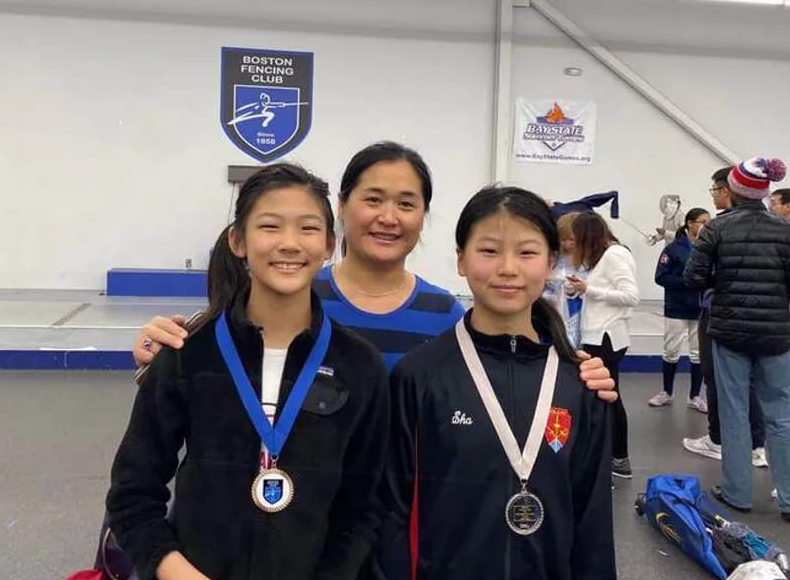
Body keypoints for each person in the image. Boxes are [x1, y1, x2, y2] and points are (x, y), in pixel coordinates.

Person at [133, 142, 617, 394]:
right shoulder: (294, 296)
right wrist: (163, 350)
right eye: (373, 199)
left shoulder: (444, 315)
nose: (389, 216)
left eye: (406, 203)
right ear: (341, 208)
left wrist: (579, 373)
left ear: (424, 216)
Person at [106, 163, 390, 580]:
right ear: (238, 240)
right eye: (270, 226)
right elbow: (132, 497)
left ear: (331, 244)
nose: (290, 244)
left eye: (309, 229)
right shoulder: (188, 354)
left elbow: (365, 506)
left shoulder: (360, 365)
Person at [375, 186, 615, 580]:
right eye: (488, 251)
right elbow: (392, 514)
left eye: (526, 252)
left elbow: (594, 524)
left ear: (551, 262)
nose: (508, 268)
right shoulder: (419, 376)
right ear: (461, 260)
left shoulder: (579, 384)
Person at [684, 156, 790, 521]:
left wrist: (725, 281)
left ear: (734, 191)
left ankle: (737, 493)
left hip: (729, 332)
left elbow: (694, 277)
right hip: (775, 333)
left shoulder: (717, 229)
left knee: (735, 413)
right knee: (782, 416)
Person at [683, 167, 768, 468]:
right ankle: (757, 445)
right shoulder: (775, 227)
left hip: (721, 313)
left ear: (728, 190)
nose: (714, 196)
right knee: (754, 384)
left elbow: (694, 276)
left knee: (717, 377)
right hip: (765, 317)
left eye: (715, 190)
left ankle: (717, 439)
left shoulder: (719, 228)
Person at [569, 211, 639, 480]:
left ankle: (619, 458)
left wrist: (589, 290)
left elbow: (630, 296)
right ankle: (611, 456)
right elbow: (601, 292)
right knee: (603, 398)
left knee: (609, 398)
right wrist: (578, 290)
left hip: (607, 338)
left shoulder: (615, 255)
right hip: (599, 335)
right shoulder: (603, 257)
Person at [649, 207, 710, 411]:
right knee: (671, 351)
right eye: (702, 221)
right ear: (690, 223)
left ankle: (694, 396)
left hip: (700, 308)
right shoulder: (673, 249)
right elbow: (660, 277)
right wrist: (687, 281)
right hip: (676, 308)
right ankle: (667, 392)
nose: (705, 226)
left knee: (698, 353)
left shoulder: (708, 247)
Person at [543, 212, 585, 349]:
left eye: (572, 239)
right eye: (563, 239)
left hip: (578, 308)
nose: (567, 244)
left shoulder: (589, 259)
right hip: (554, 306)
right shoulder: (553, 257)